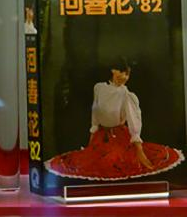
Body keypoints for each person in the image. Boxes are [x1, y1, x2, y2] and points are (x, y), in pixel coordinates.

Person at [46, 58, 183, 180]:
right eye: (121, 72)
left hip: (119, 136)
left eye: (127, 74)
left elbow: (133, 120)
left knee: (113, 161)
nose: (124, 77)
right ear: (112, 70)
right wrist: (92, 137)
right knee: (90, 161)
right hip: (101, 136)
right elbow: (96, 111)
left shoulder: (126, 94)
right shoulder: (99, 88)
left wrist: (139, 150)